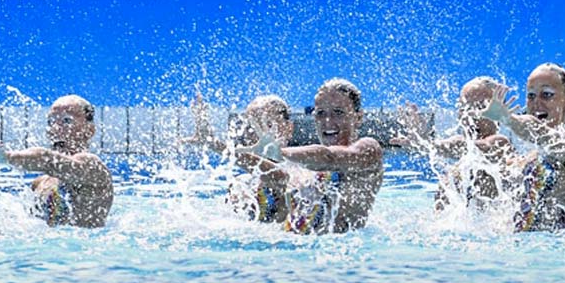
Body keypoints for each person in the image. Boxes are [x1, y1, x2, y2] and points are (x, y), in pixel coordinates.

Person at [242, 78, 383, 234]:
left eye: (338, 112)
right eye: (321, 113)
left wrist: (280, 152)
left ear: (358, 117)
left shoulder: (369, 150)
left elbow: (329, 158)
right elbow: (277, 179)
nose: (328, 121)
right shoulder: (304, 170)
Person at [0, 94, 113, 228]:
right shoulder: (40, 183)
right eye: (50, 121)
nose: (55, 128)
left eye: (66, 120)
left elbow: (47, 160)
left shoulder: (93, 168)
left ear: (89, 131)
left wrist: (6, 157)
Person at [481, 63, 565, 231]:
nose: (536, 103)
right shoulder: (526, 160)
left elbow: (539, 132)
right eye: (531, 96)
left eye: (547, 94)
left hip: (556, 243)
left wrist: (508, 119)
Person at [393, 76, 518, 211]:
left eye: (480, 107)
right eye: (464, 107)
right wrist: (421, 139)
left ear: (498, 112)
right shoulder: (454, 176)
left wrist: (427, 143)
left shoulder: (501, 145)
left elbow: (466, 145)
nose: (471, 115)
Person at [182, 93, 294, 224]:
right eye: (251, 127)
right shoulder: (242, 184)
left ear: (288, 128)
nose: (258, 134)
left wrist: (216, 145)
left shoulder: (306, 171)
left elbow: (280, 178)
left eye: (268, 124)